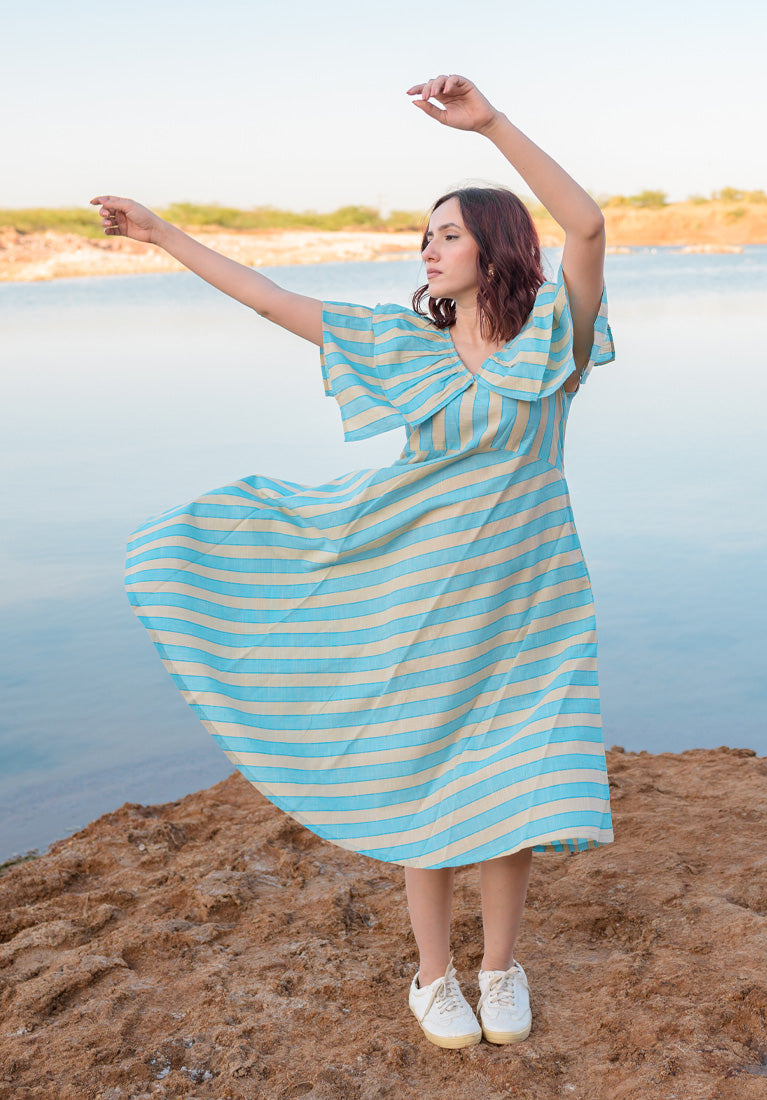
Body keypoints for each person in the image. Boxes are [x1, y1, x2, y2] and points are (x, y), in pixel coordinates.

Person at [92, 73, 614, 1050]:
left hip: (533, 595)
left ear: (496, 244)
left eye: (450, 230)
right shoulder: (397, 344)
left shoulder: (557, 341)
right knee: (430, 782)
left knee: (515, 789)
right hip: (419, 592)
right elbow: (268, 297)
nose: (430, 244)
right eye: (426, 232)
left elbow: (584, 226)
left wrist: (492, 123)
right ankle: (434, 974)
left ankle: (502, 964)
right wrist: (162, 234)